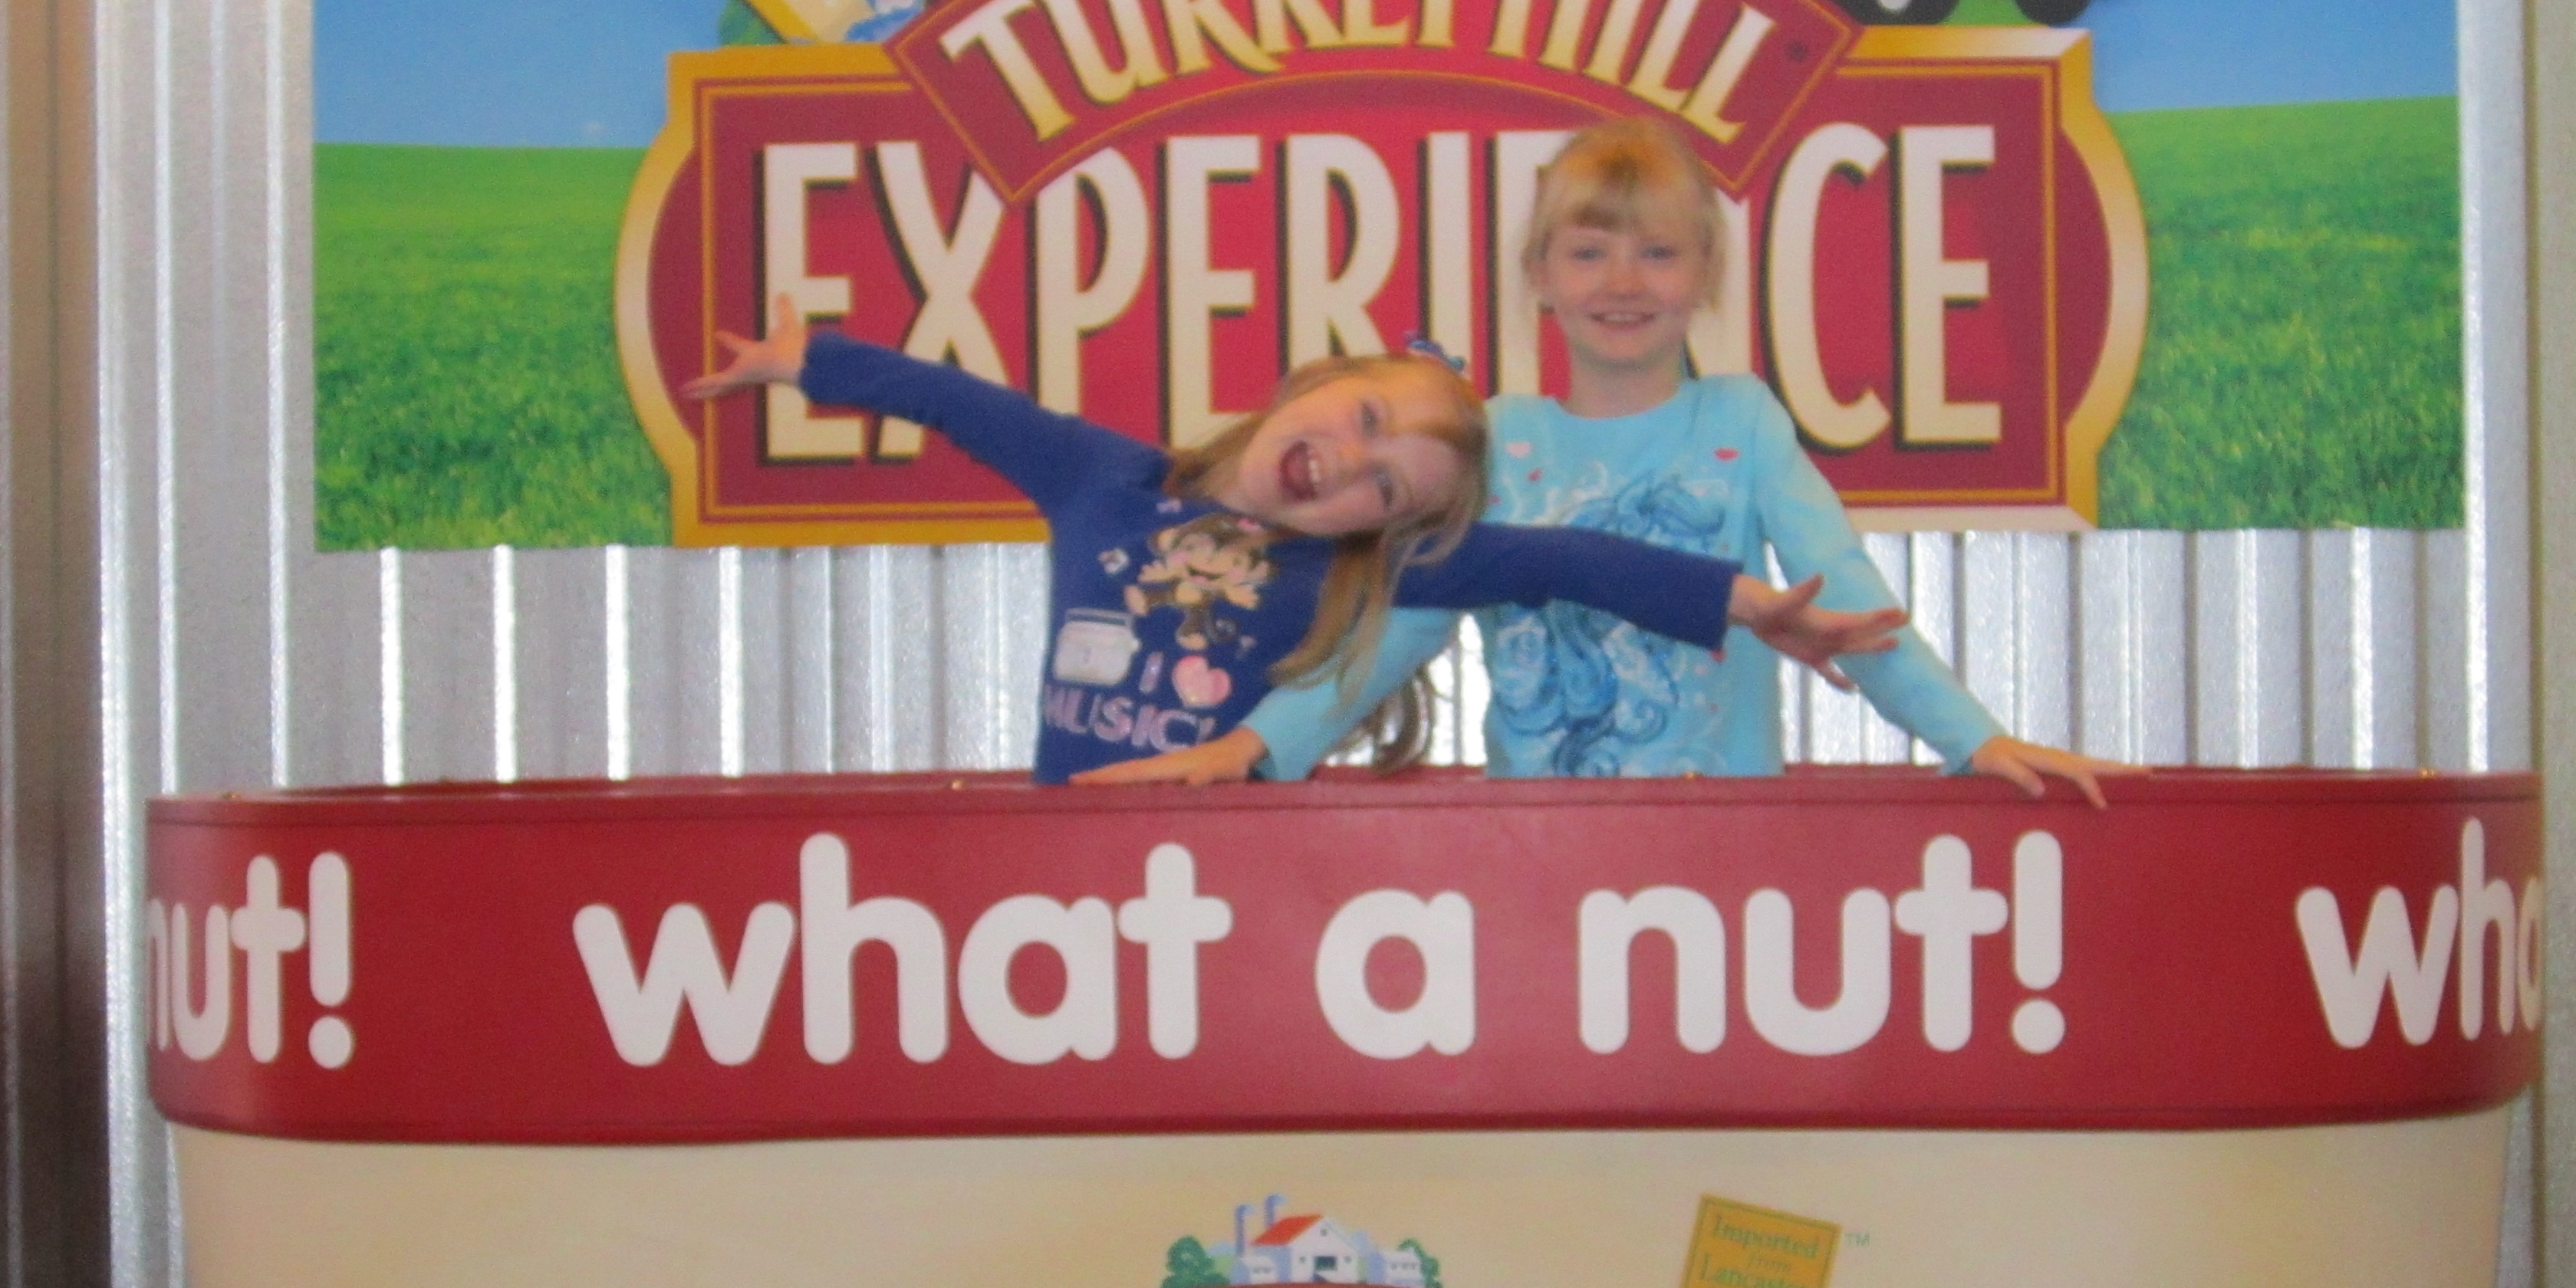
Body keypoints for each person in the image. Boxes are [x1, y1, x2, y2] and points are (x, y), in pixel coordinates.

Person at [1091, 114, 2130, 803]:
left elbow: (1846, 600)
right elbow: (1401, 624)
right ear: (1540, 275)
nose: (1622, 282)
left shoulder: (1744, 420)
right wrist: (1255, 746)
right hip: (1545, 848)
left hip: (1729, 845)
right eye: (1588, 253)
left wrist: (1974, 740)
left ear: (1705, 274)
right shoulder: (1499, 440)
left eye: (1657, 253)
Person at [682, 322, 1913, 784]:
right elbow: (961, 402)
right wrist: (807, 361)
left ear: (1383, 529)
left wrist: (1751, 603)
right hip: (1061, 871)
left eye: (1387, 488)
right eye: (1364, 419)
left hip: (1214, 892)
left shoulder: (1354, 572)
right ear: (1313, 381)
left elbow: (1571, 561)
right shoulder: (1106, 481)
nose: (1352, 465)